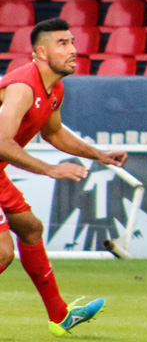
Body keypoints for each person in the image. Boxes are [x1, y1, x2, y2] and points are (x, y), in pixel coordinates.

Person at [0, 18, 128, 335]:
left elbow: (54, 133)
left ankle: (59, 315)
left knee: (30, 228)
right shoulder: (22, 87)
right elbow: (1, 141)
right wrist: (50, 169)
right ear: (40, 53)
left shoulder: (54, 89)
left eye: (72, 41)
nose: (73, 49)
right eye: (63, 44)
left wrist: (99, 155)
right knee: (3, 252)